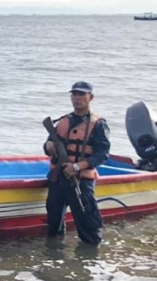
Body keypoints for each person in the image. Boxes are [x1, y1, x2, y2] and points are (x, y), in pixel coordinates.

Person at [43, 80, 110, 246]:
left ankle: (89, 262)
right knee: (53, 223)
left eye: (81, 94)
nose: (77, 97)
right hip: (58, 179)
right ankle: (54, 257)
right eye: (74, 94)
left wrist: (78, 167)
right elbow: (47, 144)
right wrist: (48, 146)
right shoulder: (63, 121)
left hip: (81, 181)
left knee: (89, 227)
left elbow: (103, 154)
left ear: (90, 97)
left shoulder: (98, 125)